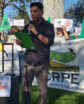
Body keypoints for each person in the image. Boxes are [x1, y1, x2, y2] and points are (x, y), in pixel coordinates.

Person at [16, 2, 55, 104]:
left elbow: (48, 42)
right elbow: (24, 42)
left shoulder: (48, 26)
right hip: (28, 62)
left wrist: (36, 32)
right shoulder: (27, 25)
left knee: (42, 90)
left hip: (42, 63)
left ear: (42, 12)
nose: (32, 14)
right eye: (31, 11)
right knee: (25, 90)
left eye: (35, 11)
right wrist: (20, 42)